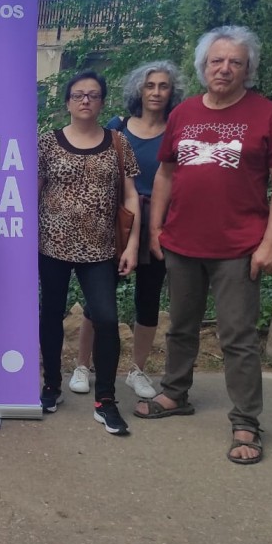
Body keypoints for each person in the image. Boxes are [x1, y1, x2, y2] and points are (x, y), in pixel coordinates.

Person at [135, 27, 272, 465]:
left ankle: (246, 421)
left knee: (238, 337)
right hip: (182, 243)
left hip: (239, 247)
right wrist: (155, 230)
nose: (224, 69)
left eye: (235, 62)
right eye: (216, 61)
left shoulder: (268, 115)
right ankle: (175, 394)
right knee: (181, 327)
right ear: (203, 67)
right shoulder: (184, 113)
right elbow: (166, 174)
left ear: (248, 69)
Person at [37, 71, 141, 436]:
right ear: (67, 101)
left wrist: (131, 244)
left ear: (101, 102)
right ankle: (51, 386)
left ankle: (106, 400)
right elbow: (33, 193)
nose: (85, 100)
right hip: (51, 245)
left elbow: (130, 197)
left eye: (93, 95)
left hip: (100, 249)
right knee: (50, 315)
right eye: (78, 94)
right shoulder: (47, 143)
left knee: (107, 320)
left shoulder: (118, 143)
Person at [72, 61, 183, 400]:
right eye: (150, 85)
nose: (156, 92)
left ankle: (137, 370)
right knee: (98, 300)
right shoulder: (117, 128)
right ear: (139, 89)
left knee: (147, 300)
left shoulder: (176, 131)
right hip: (116, 224)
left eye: (163, 86)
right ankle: (81, 365)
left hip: (158, 223)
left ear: (171, 92)